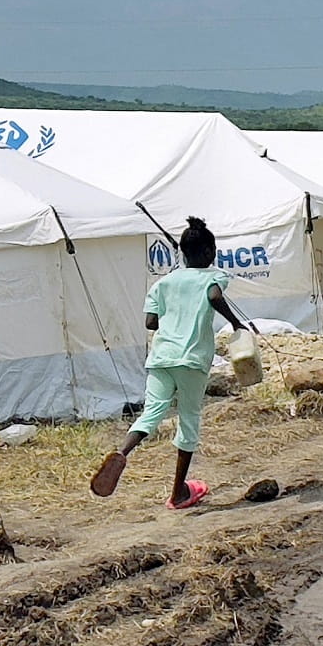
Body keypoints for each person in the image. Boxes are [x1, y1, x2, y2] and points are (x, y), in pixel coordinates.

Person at [92, 217, 250, 509]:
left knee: (151, 414)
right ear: (207, 253)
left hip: (161, 356)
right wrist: (237, 323)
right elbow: (214, 296)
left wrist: (175, 315)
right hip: (191, 359)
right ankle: (178, 493)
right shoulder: (214, 276)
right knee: (188, 421)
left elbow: (151, 322)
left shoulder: (163, 283)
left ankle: (123, 452)